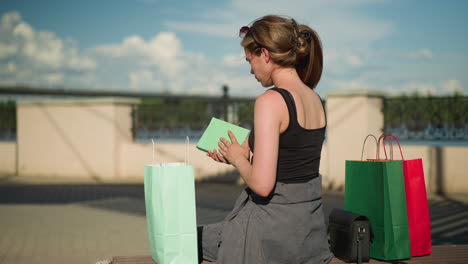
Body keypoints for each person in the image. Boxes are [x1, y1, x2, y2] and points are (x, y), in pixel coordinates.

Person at [199, 14, 333, 264]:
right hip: (307, 234)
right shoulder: (314, 98)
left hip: (272, 235)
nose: (251, 70)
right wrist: (237, 155)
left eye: (250, 60)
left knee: (188, 239)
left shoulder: (271, 101)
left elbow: (262, 185)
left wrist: (240, 160)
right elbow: (290, 161)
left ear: (265, 54)